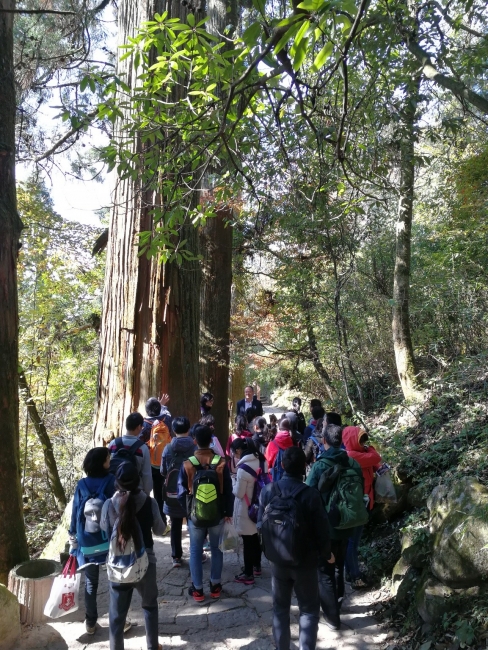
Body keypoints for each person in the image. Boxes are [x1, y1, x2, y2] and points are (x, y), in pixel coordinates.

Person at [257, 447, 334, 650]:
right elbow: (322, 530)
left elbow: (260, 525)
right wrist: (327, 554)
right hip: (305, 562)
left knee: (280, 608)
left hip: (278, 561)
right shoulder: (311, 495)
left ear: (282, 465)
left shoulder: (268, 491)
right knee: (308, 610)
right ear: (304, 468)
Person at [101, 463, 166, 650]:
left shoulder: (109, 505)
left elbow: (104, 530)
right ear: (138, 481)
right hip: (146, 563)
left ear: (117, 483)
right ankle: (153, 646)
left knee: (116, 616)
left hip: (118, 565)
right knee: (150, 607)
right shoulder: (149, 502)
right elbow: (160, 530)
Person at [306, 423, 364, 628]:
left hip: (327, 526)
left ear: (324, 441)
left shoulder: (321, 465)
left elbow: (309, 494)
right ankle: (338, 602)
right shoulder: (353, 463)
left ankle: (331, 618)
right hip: (348, 523)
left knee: (325, 572)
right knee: (339, 566)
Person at [178, 424, 234, 603]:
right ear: (211, 440)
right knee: (217, 549)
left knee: (195, 550)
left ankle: (198, 590)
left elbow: (181, 493)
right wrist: (227, 511)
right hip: (217, 513)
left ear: (194, 441)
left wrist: (188, 512)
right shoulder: (220, 462)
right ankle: (216, 586)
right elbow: (228, 490)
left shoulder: (187, 464)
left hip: (195, 515)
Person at [69, 447, 117, 636]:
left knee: (91, 582)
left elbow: (75, 513)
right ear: (102, 463)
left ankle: (90, 622)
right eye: (108, 458)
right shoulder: (112, 481)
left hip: (87, 540)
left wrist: (72, 534)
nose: (110, 461)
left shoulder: (81, 485)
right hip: (108, 538)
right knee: (115, 579)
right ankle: (118, 618)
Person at [342, 425, 382, 588]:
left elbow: (375, 464)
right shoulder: (353, 455)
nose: (364, 443)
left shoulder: (355, 454)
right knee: (353, 542)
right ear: (351, 440)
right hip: (358, 505)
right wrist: (370, 448)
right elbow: (376, 458)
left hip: (359, 503)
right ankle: (355, 576)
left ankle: (350, 572)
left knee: (352, 541)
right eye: (360, 439)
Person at [160, 416, 195, 568]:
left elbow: (163, 471)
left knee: (175, 524)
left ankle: (176, 557)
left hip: (173, 493)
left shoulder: (168, 448)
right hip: (191, 492)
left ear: (173, 430)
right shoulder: (195, 448)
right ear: (189, 429)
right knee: (193, 523)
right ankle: (196, 553)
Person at [231, 438, 264, 585]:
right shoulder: (262, 461)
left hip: (247, 509)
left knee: (248, 540)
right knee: (256, 537)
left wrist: (233, 482)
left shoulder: (243, 469)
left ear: (238, 451)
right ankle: (257, 566)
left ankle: (248, 573)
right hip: (260, 505)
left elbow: (239, 493)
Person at [142, 397, 172, 528]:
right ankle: (170, 518)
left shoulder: (145, 424)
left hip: (151, 464)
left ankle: (159, 523)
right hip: (166, 462)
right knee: (167, 491)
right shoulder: (167, 420)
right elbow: (167, 414)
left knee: (156, 493)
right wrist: (162, 406)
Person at [108, 412, 153, 496]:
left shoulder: (113, 443)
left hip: (114, 490)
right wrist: (146, 492)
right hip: (135, 492)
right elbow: (146, 473)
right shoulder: (143, 448)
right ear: (139, 427)